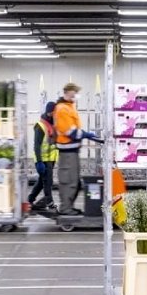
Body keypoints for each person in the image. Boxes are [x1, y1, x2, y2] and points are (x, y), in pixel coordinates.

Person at [54, 82, 101, 216]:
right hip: (67, 153)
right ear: (68, 92)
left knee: (74, 181)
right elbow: (71, 132)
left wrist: (87, 134)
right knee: (69, 181)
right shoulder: (62, 108)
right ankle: (66, 208)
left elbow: (75, 129)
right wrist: (87, 134)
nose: (76, 95)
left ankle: (69, 207)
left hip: (73, 151)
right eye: (74, 92)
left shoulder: (69, 107)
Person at [27, 101, 58, 212]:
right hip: (42, 160)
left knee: (41, 181)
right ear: (50, 112)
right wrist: (39, 162)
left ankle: (30, 199)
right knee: (47, 181)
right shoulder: (40, 126)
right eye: (55, 112)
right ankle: (49, 203)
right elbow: (37, 145)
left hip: (51, 159)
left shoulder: (53, 123)